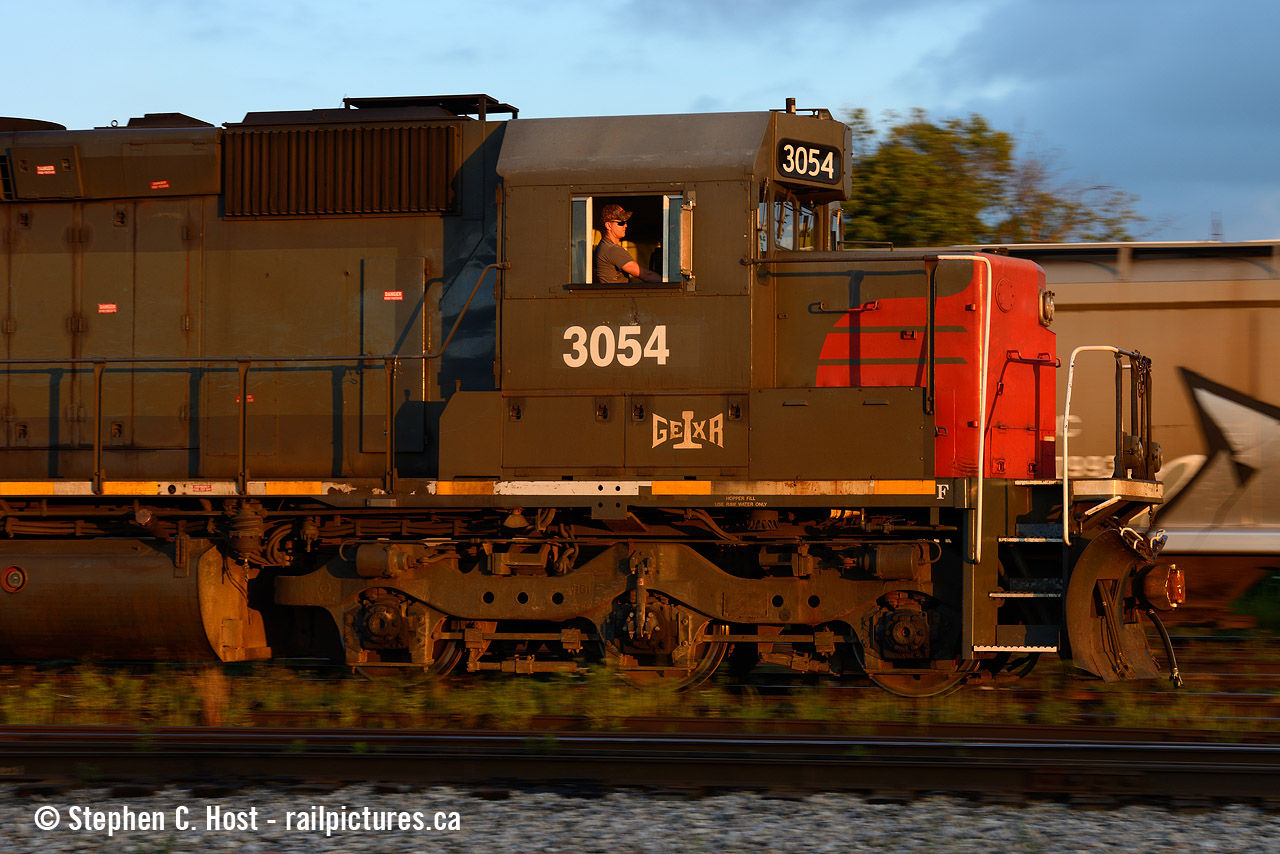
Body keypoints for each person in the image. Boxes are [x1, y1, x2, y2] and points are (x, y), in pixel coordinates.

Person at [594, 204, 662, 284]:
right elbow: (646, 275)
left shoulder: (604, 246)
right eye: (621, 223)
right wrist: (667, 282)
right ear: (608, 225)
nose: (625, 225)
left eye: (625, 222)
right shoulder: (612, 250)